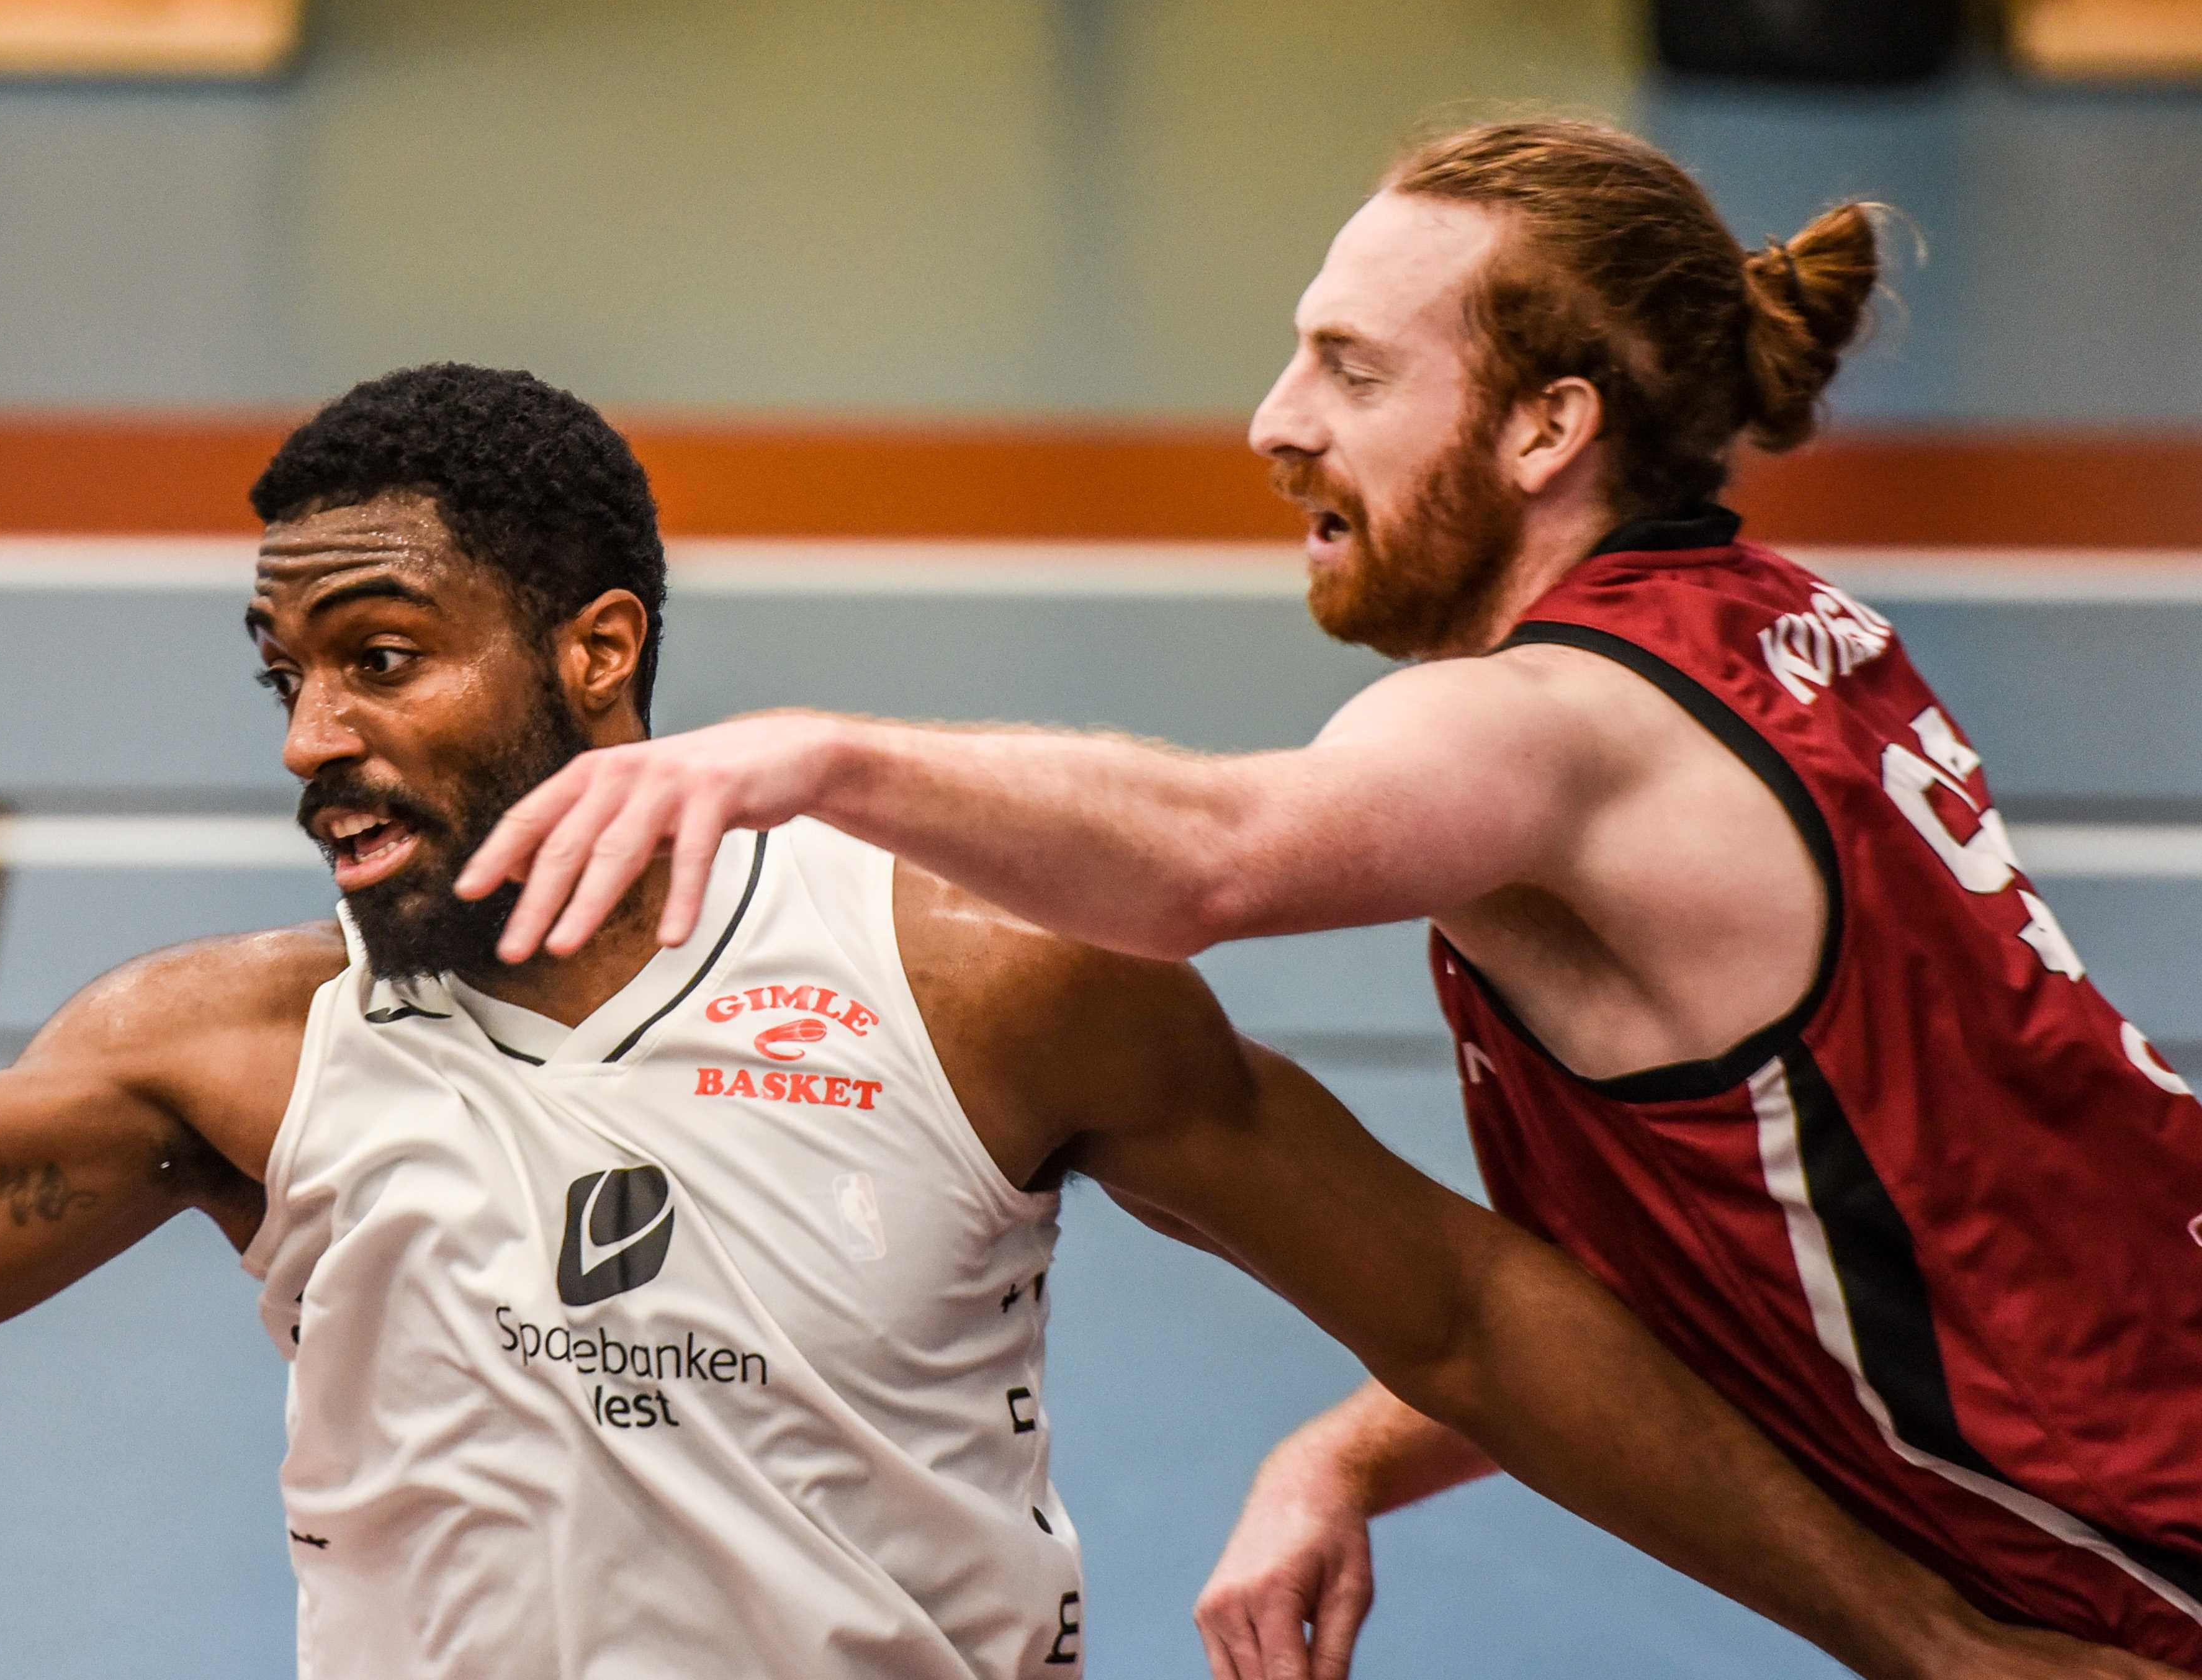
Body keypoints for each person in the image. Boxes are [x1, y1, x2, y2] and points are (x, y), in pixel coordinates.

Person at [0, 365, 2168, 1680]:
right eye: (279, 662)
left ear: (596, 655)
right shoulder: (229, 1054)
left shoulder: (984, 979)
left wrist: (1922, 1639)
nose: (315, 722)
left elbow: (1473, 1295)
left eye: (381, 646)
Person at [456, 122, 2202, 1680]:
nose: (1272, 423)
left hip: (2138, 1540)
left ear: (1544, 428)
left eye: (1348, 371)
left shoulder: (1557, 728)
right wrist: (1348, 1453)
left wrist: (810, 755)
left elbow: (1210, 856)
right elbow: (1767, 1255)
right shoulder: (1775, 622)